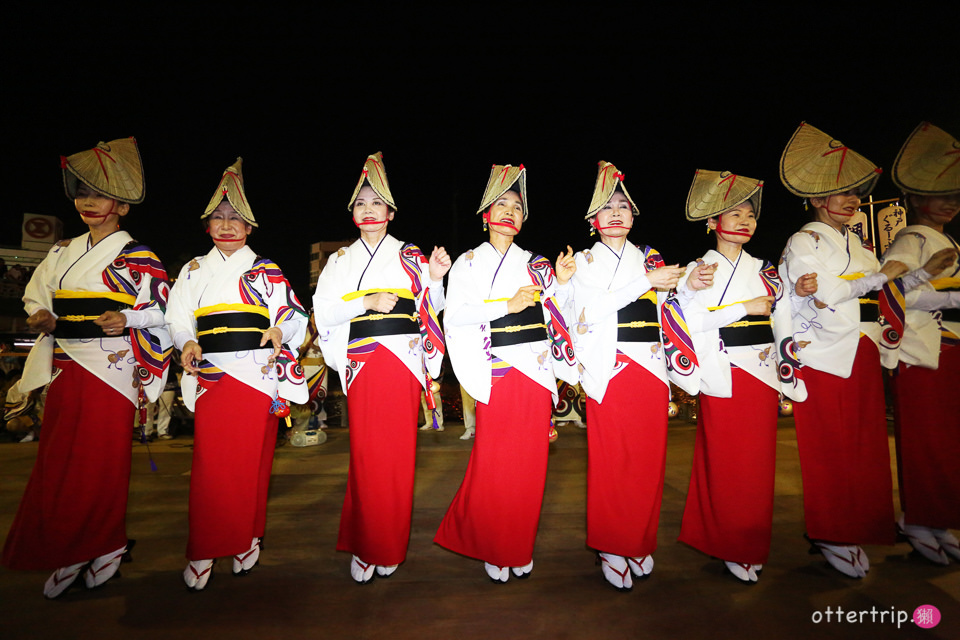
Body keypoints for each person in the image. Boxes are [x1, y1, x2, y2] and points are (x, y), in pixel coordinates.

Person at [778, 123, 954, 578]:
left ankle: (854, 526)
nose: (853, 199)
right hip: (824, 353)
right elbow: (828, 294)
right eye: (843, 193)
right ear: (818, 199)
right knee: (830, 445)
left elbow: (887, 289)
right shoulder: (805, 241)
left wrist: (922, 273)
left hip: (861, 347)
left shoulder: (856, 243)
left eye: (856, 192)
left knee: (863, 445)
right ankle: (830, 530)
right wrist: (882, 277)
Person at [2, 138, 171, 598]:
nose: (88, 202)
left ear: (122, 206)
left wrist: (129, 317)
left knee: (101, 461)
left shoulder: (139, 257)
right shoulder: (59, 251)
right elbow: (35, 293)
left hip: (111, 367)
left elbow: (161, 311)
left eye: (98, 194)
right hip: (64, 361)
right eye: (82, 193)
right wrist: (40, 314)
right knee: (58, 459)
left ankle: (99, 544)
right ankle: (85, 544)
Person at [166, 158, 308, 590]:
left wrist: (280, 327)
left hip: (257, 371)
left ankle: (247, 535)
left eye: (236, 219)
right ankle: (206, 545)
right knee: (210, 463)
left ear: (249, 228)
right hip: (211, 371)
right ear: (207, 226)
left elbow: (292, 311)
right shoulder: (192, 269)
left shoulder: (266, 269)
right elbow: (177, 316)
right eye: (219, 218)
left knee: (253, 461)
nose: (227, 226)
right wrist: (187, 340)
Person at [566, 162, 707, 591]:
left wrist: (691, 285)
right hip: (611, 364)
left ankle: (640, 539)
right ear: (593, 219)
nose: (616, 213)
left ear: (633, 216)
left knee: (649, 457)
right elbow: (588, 313)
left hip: (650, 363)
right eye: (607, 207)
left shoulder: (649, 256)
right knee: (613, 459)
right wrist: (646, 281)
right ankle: (612, 544)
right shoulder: (585, 261)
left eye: (624, 206)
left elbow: (669, 308)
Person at [434, 163, 579, 582]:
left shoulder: (537, 264)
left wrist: (564, 285)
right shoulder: (468, 262)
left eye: (517, 206)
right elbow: (457, 315)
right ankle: (497, 546)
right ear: (486, 215)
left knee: (532, 463)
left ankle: (519, 544)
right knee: (496, 463)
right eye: (503, 204)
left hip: (534, 370)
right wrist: (506, 305)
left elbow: (561, 317)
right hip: (495, 368)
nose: (511, 212)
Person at [313, 152, 450, 583]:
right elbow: (324, 311)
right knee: (366, 455)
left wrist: (437, 277)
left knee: (397, 457)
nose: (369, 210)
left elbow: (434, 308)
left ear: (390, 212)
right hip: (361, 362)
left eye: (377, 203)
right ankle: (366, 540)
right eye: (361, 203)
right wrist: (365, 302)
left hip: (402, 361)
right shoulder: (339, 261)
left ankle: (386, 544)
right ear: (352, 213)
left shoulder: (410, 255)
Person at [677, 169, 807, 583]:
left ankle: (750, 541)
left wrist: (789, 372)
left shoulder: (767, 271)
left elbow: (785, 322)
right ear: (712, 222)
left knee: (758, 464)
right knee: (727, 462)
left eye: (750, 214)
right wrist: (741, 309)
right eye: (733, 213)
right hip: (724, 371)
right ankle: (731, 542)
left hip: (764, 373)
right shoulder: (697, 270)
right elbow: (688, 323)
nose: (744, 220)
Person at [882, 122, 960, 564]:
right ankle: (917, 519)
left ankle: (938, 520)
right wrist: (953, 295)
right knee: (925, 441)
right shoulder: (912, 237)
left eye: (954, 195)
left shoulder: (946, 239)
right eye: (939, 194)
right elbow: (897, 290)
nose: (949, 202)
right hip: (923, 351)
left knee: (946, 442)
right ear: (914, 199)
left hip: (948, 348)